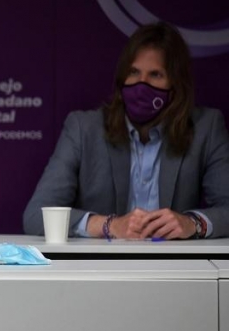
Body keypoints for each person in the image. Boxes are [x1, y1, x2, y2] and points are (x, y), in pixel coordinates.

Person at [23, 22, 229, 240]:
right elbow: (36, 215)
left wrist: (193, 223)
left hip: (174, 266)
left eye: (155, 75)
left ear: (176, 84)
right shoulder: (83, 129)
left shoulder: (206, 127)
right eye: (133, 72)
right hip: (100, 269)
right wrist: (108, 225)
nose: (142, 84)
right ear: (122, 78)